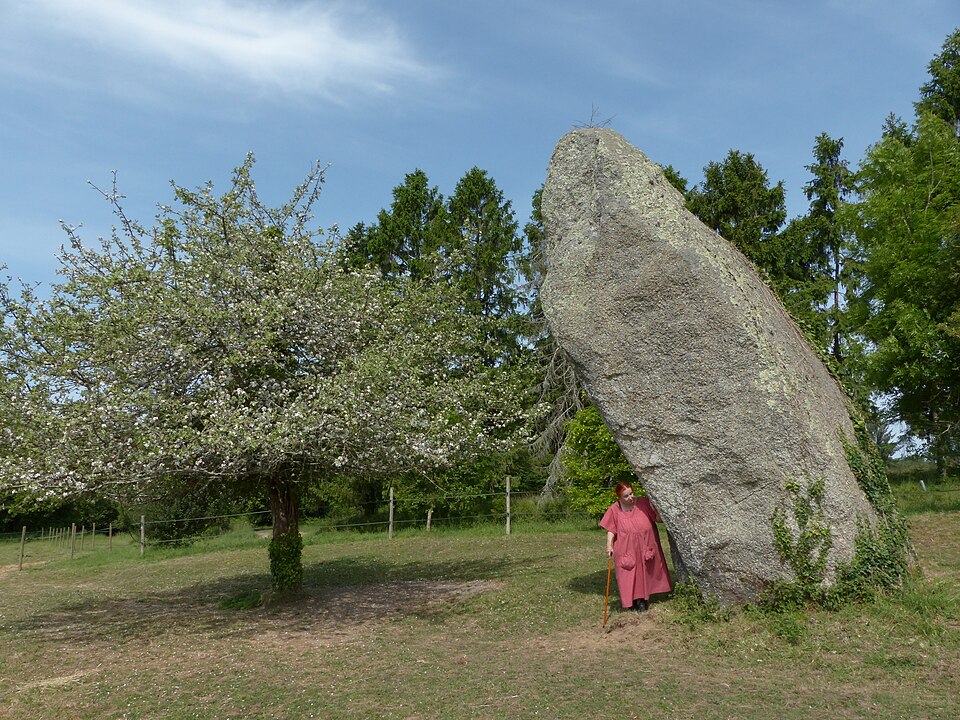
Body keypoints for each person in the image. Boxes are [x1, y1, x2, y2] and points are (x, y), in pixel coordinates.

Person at [600, 482, 671, 611]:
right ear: (619, 497)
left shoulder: (643, 503)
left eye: (631, 493)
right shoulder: (614, 510)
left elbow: (658, 519)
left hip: (645, 545)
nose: (630, 497)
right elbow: (611, 530)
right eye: (626, 496)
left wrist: (659, 510)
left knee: (644, 571)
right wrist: (609, 546)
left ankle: (644, 600)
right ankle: (631, 601)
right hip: (625, 549)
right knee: (628, 574)